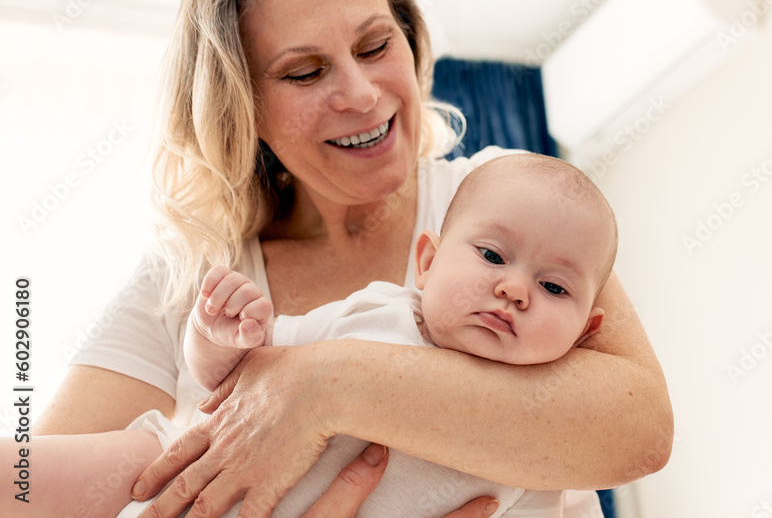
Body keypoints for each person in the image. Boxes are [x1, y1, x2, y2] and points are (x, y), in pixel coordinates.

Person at [33, 0, 673, 518]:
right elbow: (32, 494)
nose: (362, 95)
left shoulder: (498, 205)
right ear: (242, 107)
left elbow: (638, 428)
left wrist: (325, 384)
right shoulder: (186, 281)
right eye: (306, 73)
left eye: (373, 47)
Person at [3, 153, 616, 517]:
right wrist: (219, 336)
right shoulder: (379, 314)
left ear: (587, 332)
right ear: (427, 262)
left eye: (555, 289)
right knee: (64, 469)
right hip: (184, 474)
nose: (515, 289)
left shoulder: (550, 436)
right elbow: (240, 377)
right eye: (490, 255)